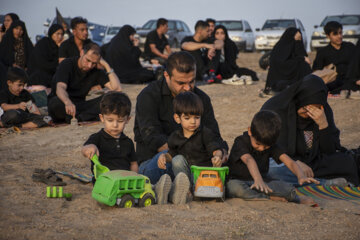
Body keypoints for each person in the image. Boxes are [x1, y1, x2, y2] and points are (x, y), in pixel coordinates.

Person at [134, 51, 228, 185]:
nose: (188, 88)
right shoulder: (148, 96)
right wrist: (187, 156)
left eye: (192, 81)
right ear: (166, 75)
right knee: (172, 159)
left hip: (196, 163)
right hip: (155, 163)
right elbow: (153, 138)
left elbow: (214, 135)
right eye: (181, 83)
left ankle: (185, 186)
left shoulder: (202, 99)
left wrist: (220, 154)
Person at [261, 74, 359, 186]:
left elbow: (329, 151)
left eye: (316, 109)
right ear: (300, 100)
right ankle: (324, 183)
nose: (310, 114)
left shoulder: (324, 111)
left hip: (312, 162)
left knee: (347, 162)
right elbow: (267, 147)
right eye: (306, 109)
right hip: (283, 161)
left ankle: (308, 179)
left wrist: (323, 125)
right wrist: (294, 163)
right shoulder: (275, 109)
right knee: (271, 170)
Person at [227, 110, 319, 203]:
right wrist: (258, 180)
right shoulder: (240, 141)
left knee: (286, 189)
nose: (262, 148)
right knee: (234, 188)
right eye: (257, 144)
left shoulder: (271, 144)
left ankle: (294, 197)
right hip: (238, 181)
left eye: (266, 146)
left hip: (263, 183)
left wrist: (301, 176)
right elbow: (248, 159)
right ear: (250, 131)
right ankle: (268, 198)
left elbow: (290, 162)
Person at [157, 91, 224, 183]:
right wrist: (163, 156)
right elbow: (171, 155)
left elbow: (216, 149)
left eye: (197, 117)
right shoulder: (175, 137)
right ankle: (185, 190)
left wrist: (217, 157)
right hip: (186, 176)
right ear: (177, 118)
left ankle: (192, 189)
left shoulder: (205, 133)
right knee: (177, 160)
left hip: (204, 174)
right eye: (187, 118)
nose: (193, 122)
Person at [48, 43, 122, 123]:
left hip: (81, 106)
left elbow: (117, 89)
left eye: (94, 63)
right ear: (82, 53)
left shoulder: (95, 71)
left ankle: (80, 117)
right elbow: (60, 88)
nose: (90, 65)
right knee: (55, 103)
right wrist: (67, 102)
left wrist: (106, 65)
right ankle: (85, 116)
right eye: (88, 60)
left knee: (113, 98)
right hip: (63, 103)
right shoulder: (67, 64)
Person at [82, 92, 138, 182]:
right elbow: (85, 149)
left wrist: (134, 178)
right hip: (105, 182)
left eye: (120, 121)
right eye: (110, 120)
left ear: (127, 119)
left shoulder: (128, 142)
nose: (115, 125)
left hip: (124, 181)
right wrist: (90, 147)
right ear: (102, 118)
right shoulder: (97, 138)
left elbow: (133, 163)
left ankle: (156, 188)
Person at [261, 27, 311, 96]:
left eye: (300, 39)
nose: (299, 42)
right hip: (280, 80)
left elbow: (302, 57)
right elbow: (282, 62)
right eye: (297, 39)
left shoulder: (296, 48)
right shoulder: (279, 49)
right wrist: (302, 58)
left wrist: (302, 58)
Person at [313, 21, 356, 95]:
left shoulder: (350, 47)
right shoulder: (323, 52)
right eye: (335, 34)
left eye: (340, 33)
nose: (339, 36)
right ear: (328, 36)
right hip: (333, 82)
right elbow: (317, 72)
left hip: (350, 79)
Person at [27, 24, 64, 93]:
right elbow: (41, 63)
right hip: (38, 77)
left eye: (62, 34)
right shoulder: (44, 43)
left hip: (51, 77)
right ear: (51, 33)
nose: (60, 37)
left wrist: (61, 49)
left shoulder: (60, 47)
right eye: (57, 34)